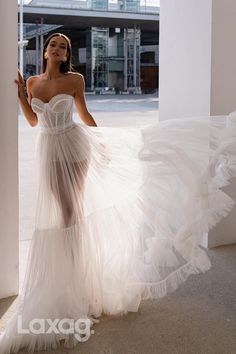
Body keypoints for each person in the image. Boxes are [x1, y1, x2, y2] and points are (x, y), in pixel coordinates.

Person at [0, 32, 235, 353]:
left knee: (71, 211)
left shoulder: (76, 80)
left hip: (74, 147)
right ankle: (70, 274)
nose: (57, 48)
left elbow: (83, 115)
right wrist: (20, 98)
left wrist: (102, 145)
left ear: (67, 54)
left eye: (63, 46)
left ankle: (76, 278)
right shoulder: (31, 83)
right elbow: (31, 121)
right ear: (44, 51)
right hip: (48, 150)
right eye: (53, 45)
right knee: (59, 212)